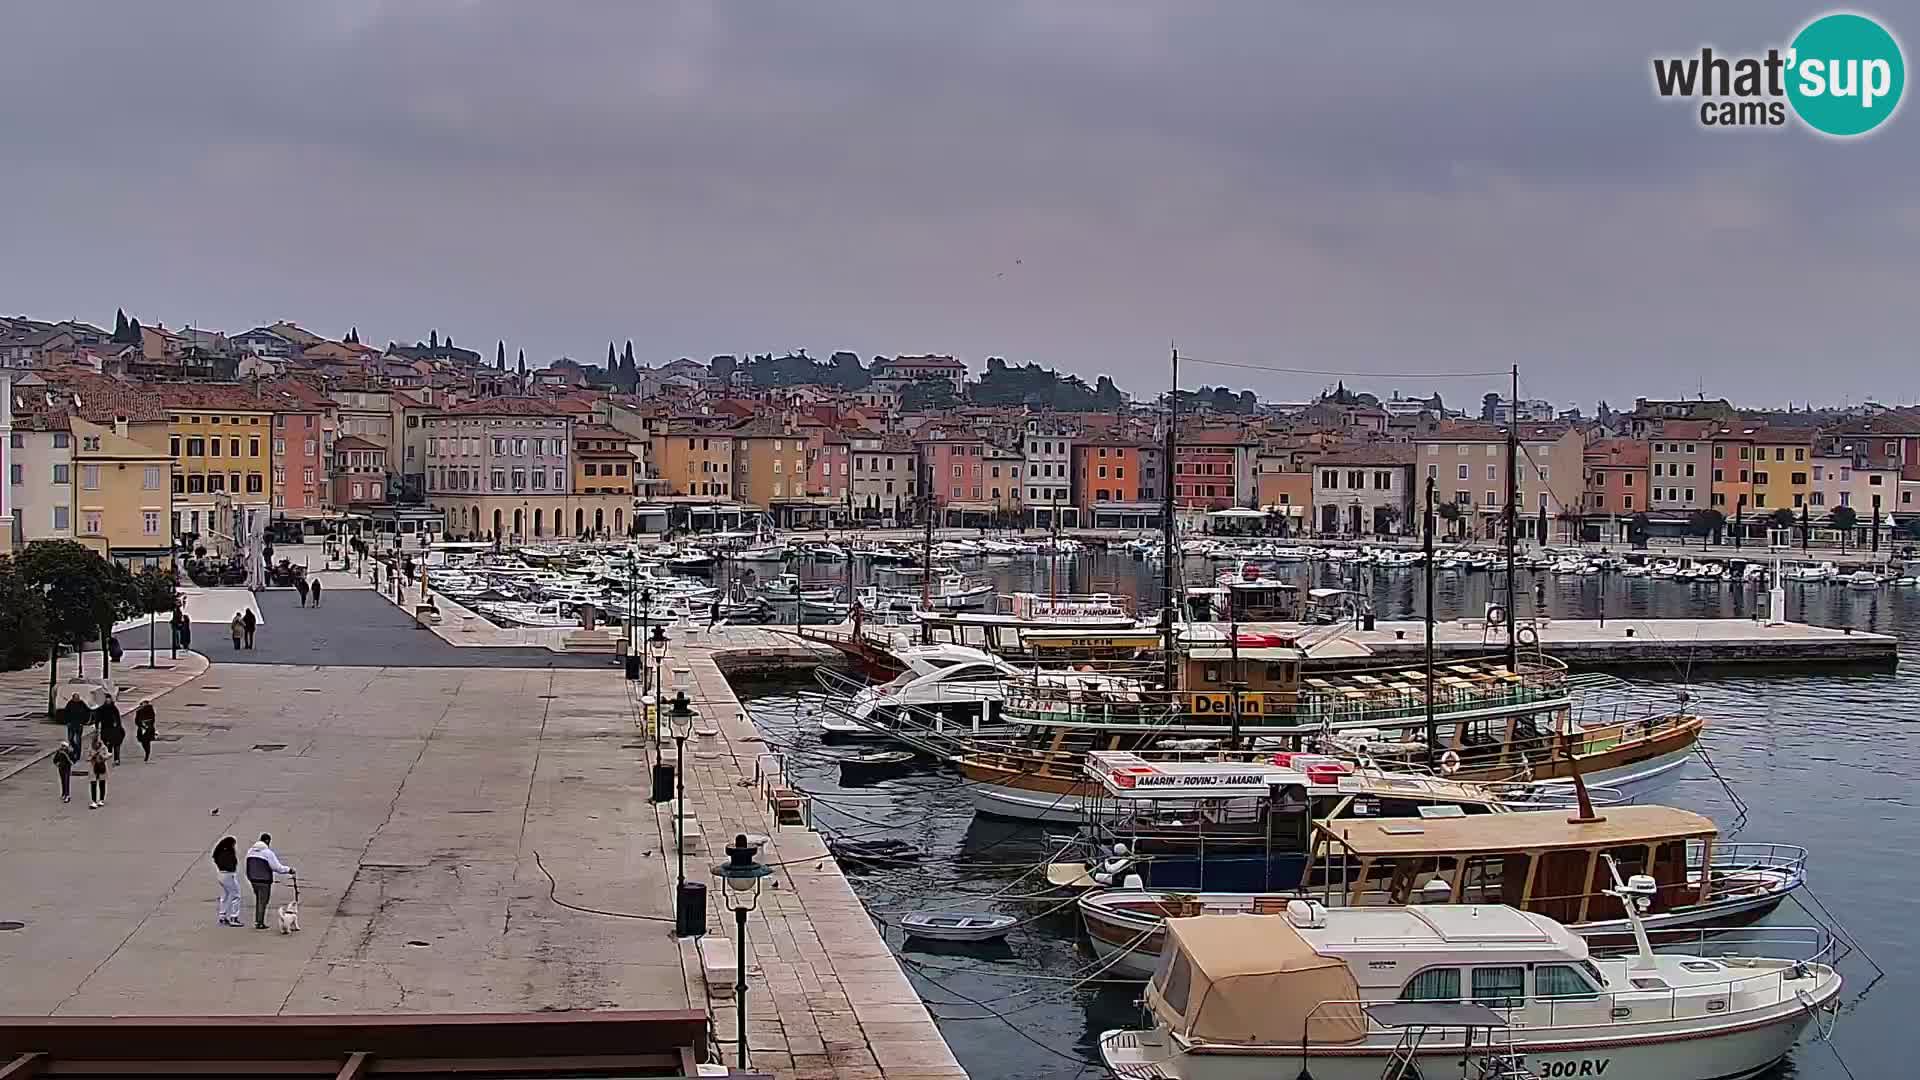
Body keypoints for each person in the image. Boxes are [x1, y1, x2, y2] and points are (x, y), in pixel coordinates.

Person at [244, 833, 296, 930]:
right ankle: (259, 922)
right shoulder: (267, 853)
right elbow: (277, 867)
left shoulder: (250, 851)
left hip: (252, 879)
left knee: (259, 899)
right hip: (264, 880)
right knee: (263, 901)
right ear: (267, 841)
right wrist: (289, 870)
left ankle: (258, 921)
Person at [212, 836, 243, 926]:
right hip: (228, 875)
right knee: (236, 895)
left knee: (225, 895)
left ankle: (222, 916)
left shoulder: (219, 852)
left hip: (220, 874)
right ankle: (234, 917)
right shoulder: (228, 852)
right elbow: (232, 864)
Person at [61, 693, 90, 758]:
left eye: (77, 698)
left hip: (79, 724)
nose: (77, 699)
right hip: (71, 724)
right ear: (73, 698)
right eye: (75, 698)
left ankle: (78, 753)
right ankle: (75, 749)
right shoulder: (70, 704)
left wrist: (84, 721)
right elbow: (66, 713)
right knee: (70, 739)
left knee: (78, 739)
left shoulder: (82, 704)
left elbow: (87, 712)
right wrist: (67, 722)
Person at [97, 697, 125, 765]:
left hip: (115, 731)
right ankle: (109, 758)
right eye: (107, 701)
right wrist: (97, 727)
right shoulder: (102, 709)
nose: (108, 702)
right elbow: (97, 718)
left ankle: (117, 759)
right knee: (108, 746)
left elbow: (118, 719)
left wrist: (118, 726)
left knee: (116, 745)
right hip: (106, 730)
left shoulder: (114, 709)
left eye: (109, 701)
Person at [87, 736, 109, 809]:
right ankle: (93, 801)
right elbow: (88, 757)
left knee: (102, 783)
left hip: (102, 767)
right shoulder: (90, 748)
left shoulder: (103, 747)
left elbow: (108, 755)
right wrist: (92, 757)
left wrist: (102, 757)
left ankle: (101, 799)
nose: (95, 744)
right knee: (93, 784)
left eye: (97, 743)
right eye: (94, 743)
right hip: (93, 767)